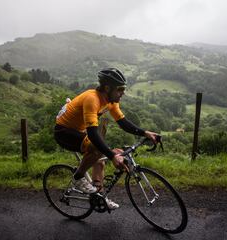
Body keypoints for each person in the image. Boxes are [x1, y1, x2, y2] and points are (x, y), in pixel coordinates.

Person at [54, 68, 158, 210]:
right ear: (108, 88)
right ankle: (78, 178)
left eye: (124, 88)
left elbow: (123, 123)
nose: (123, 92)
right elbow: (92, 134)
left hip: (79, 130)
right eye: (120, 89)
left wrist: (145, 133)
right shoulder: (92, 99)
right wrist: (112, 155)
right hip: (64, 132)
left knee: (100, 162)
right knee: (97, 148)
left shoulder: (111, 101)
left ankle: (99, 196)